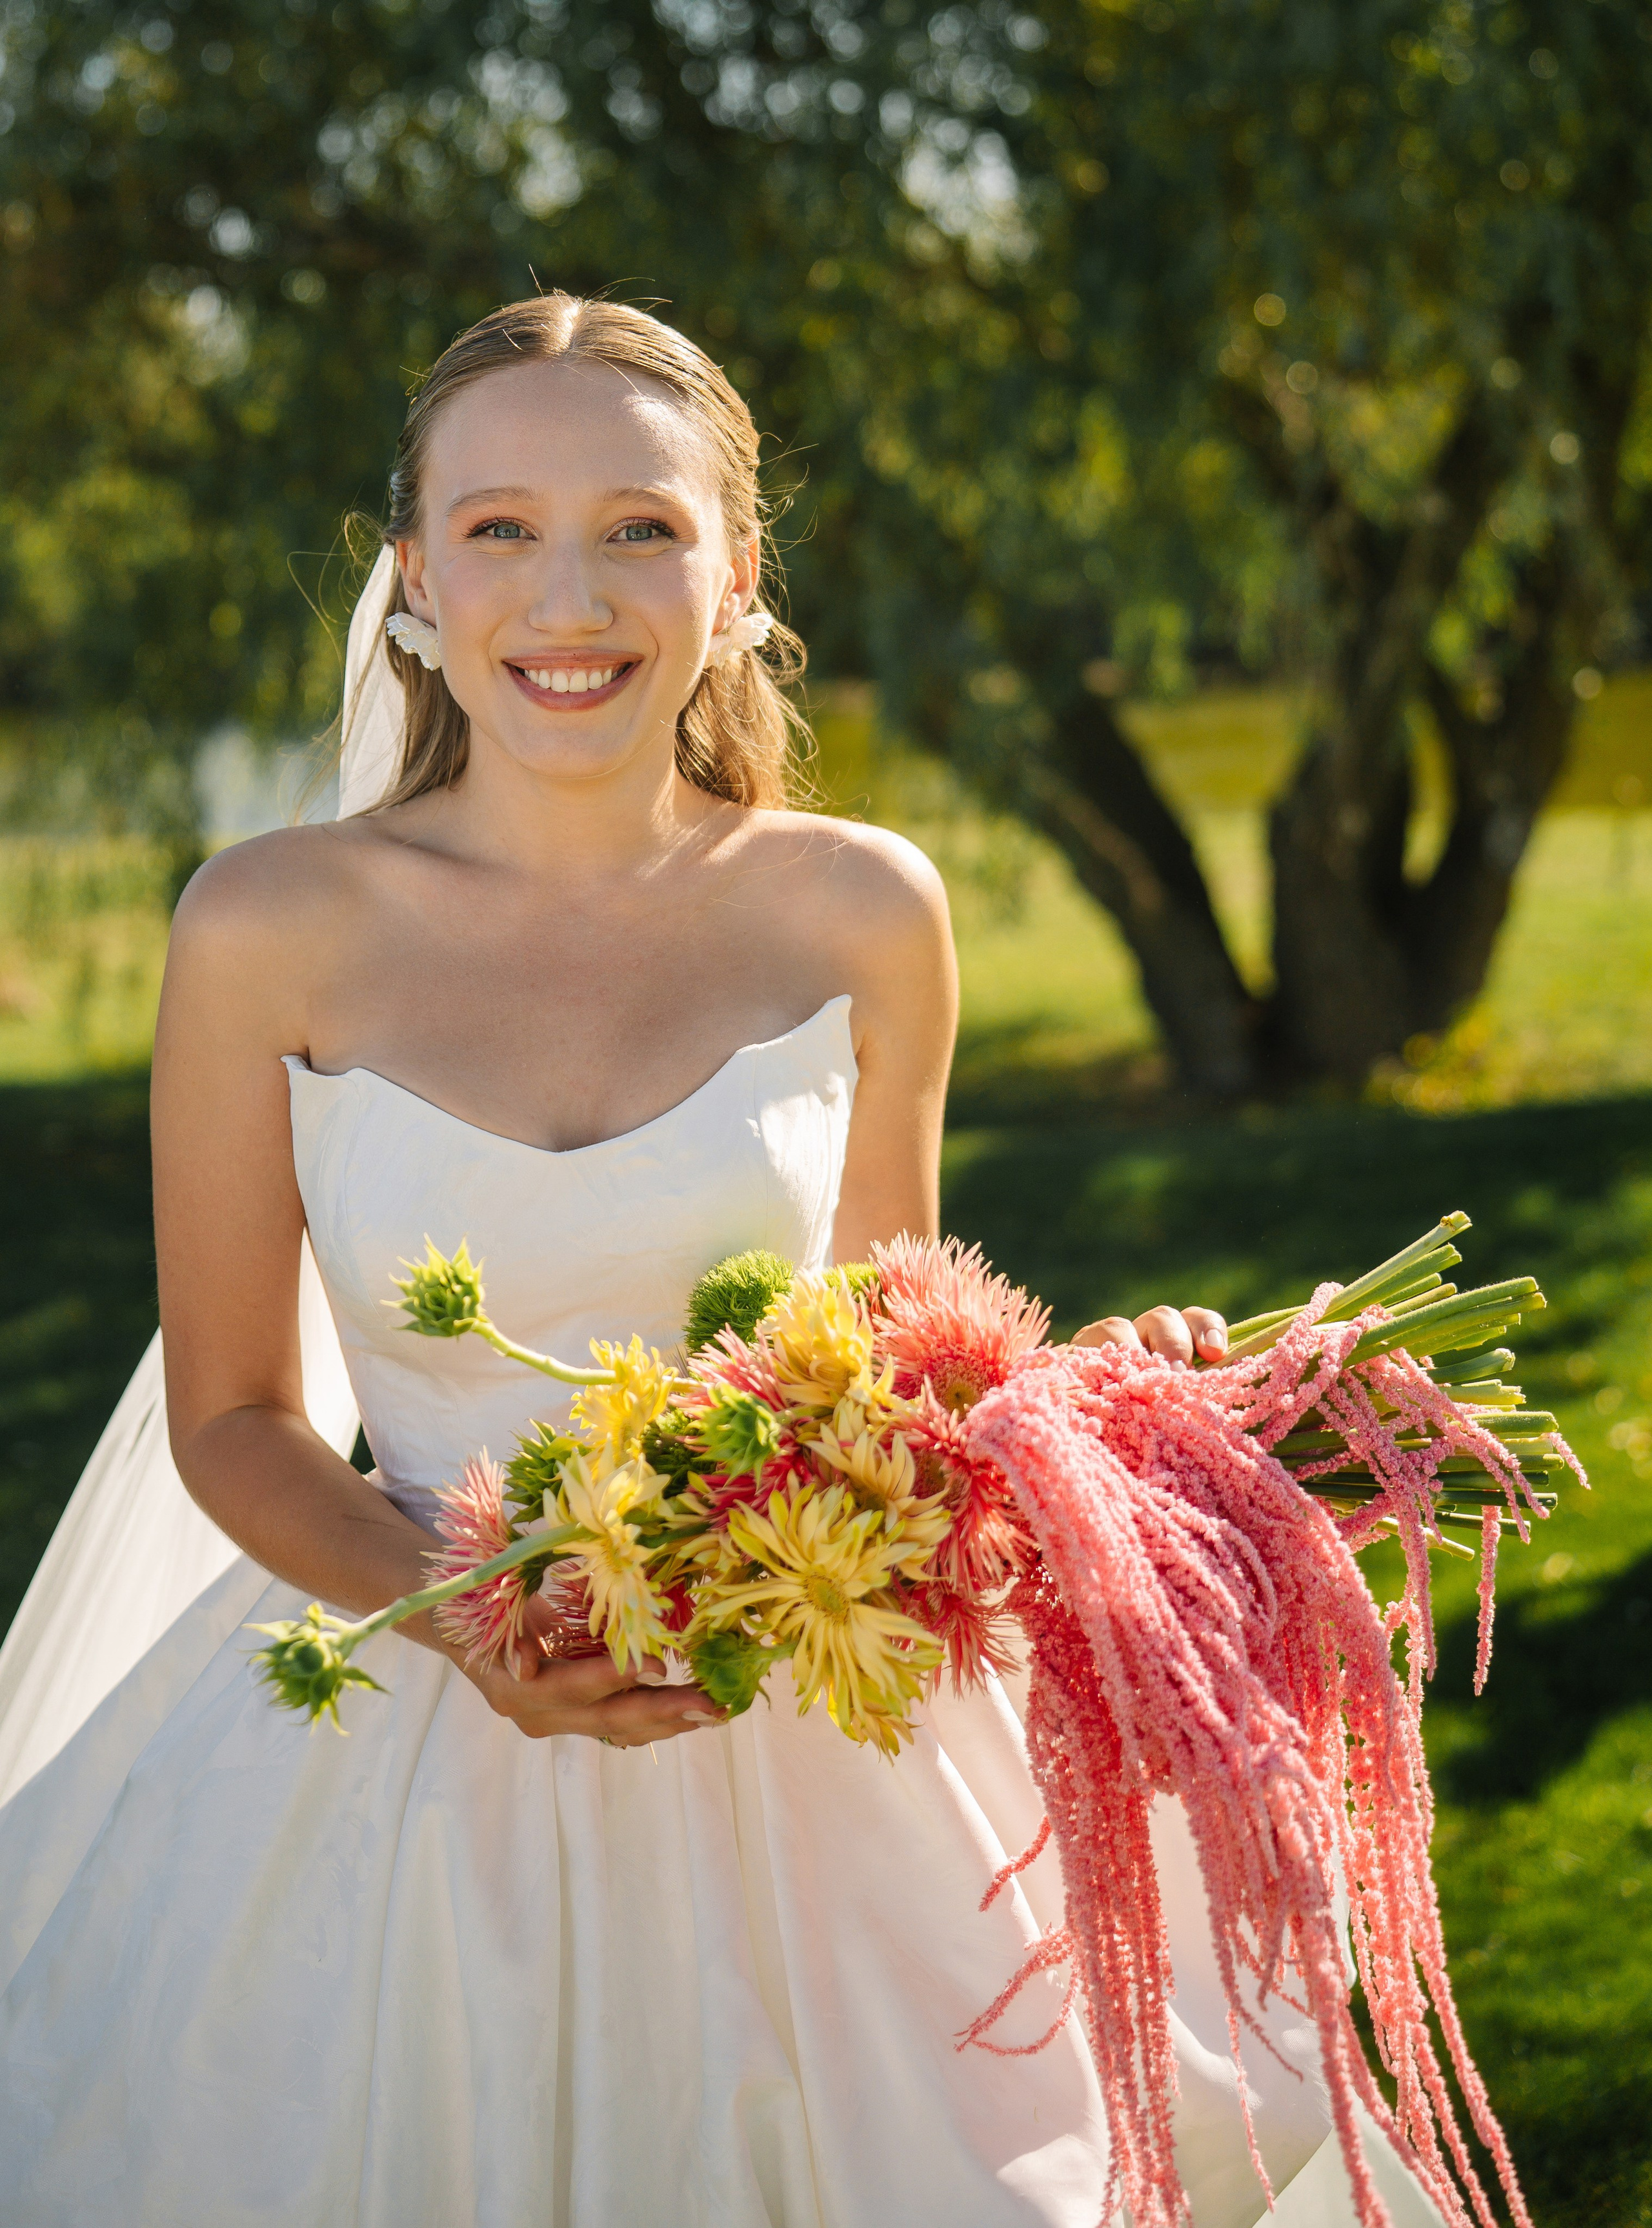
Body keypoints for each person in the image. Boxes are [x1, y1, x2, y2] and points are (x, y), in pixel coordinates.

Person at [0, 296, 1440, 2227]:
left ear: (738, 571)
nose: (569, 595)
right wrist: (474, 1613)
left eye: (641, 526)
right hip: (402, 1712)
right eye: (500, 527)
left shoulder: (860, 910)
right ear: (414, 576)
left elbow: (898, 1356)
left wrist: (1095, 1401)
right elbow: (241, 1418)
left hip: (811, 1714)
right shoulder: (266, 924)